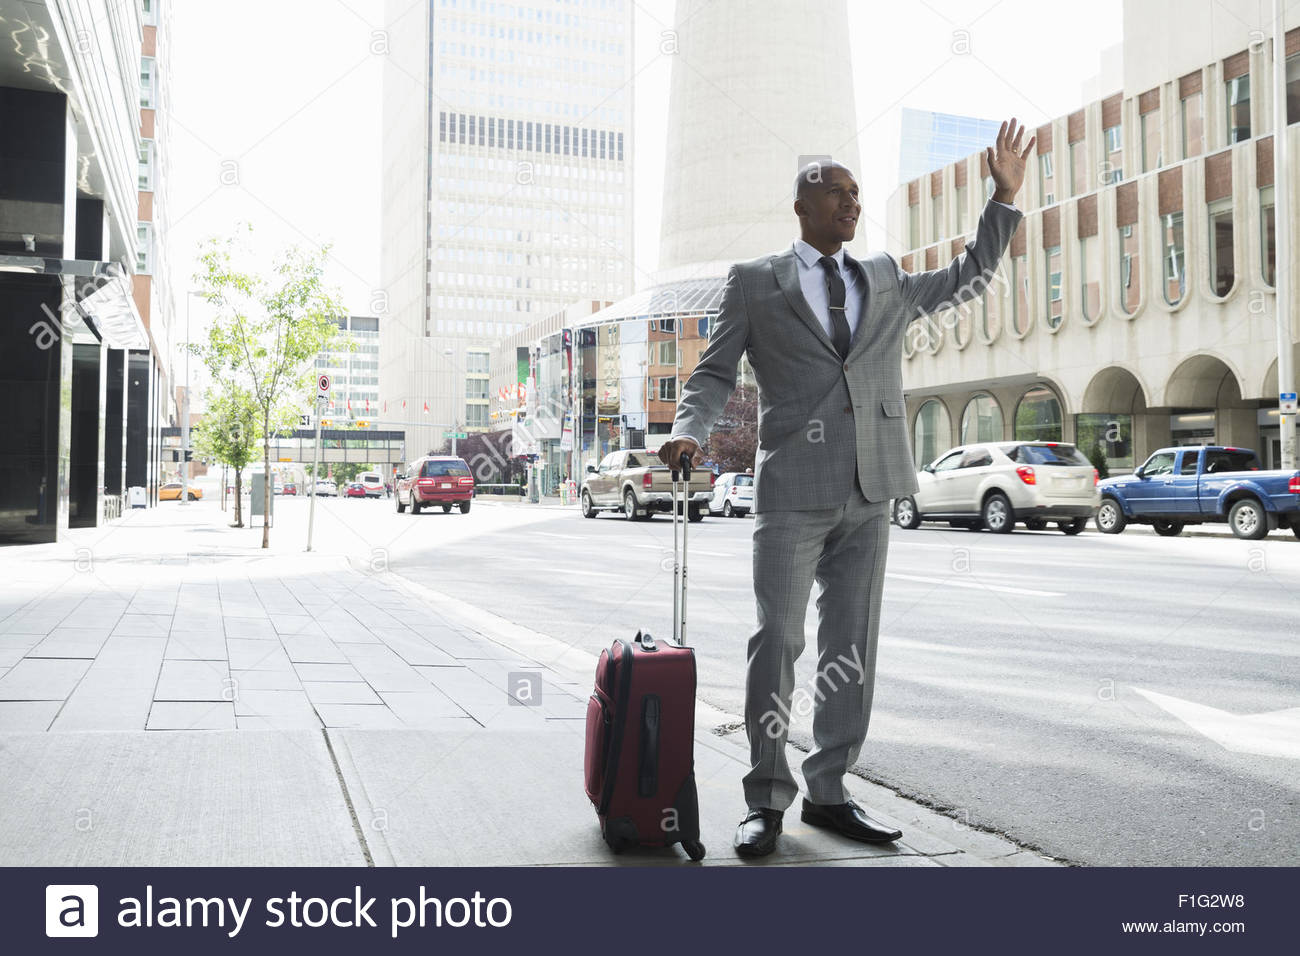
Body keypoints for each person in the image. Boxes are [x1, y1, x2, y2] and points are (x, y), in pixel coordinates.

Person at [659, 119, 1032, 858]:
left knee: (850, 647)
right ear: (803, 204)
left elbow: (970, 277)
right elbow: (712, 373)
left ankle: (829, 792)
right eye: (838, 194)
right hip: (792, 488)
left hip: (871, 487)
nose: (852, 205)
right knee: (779, 641)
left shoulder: (884, 277)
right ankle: (765, 799)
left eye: (858, 195)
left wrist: (1004, 198)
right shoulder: (756, 282)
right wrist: (689, 430)